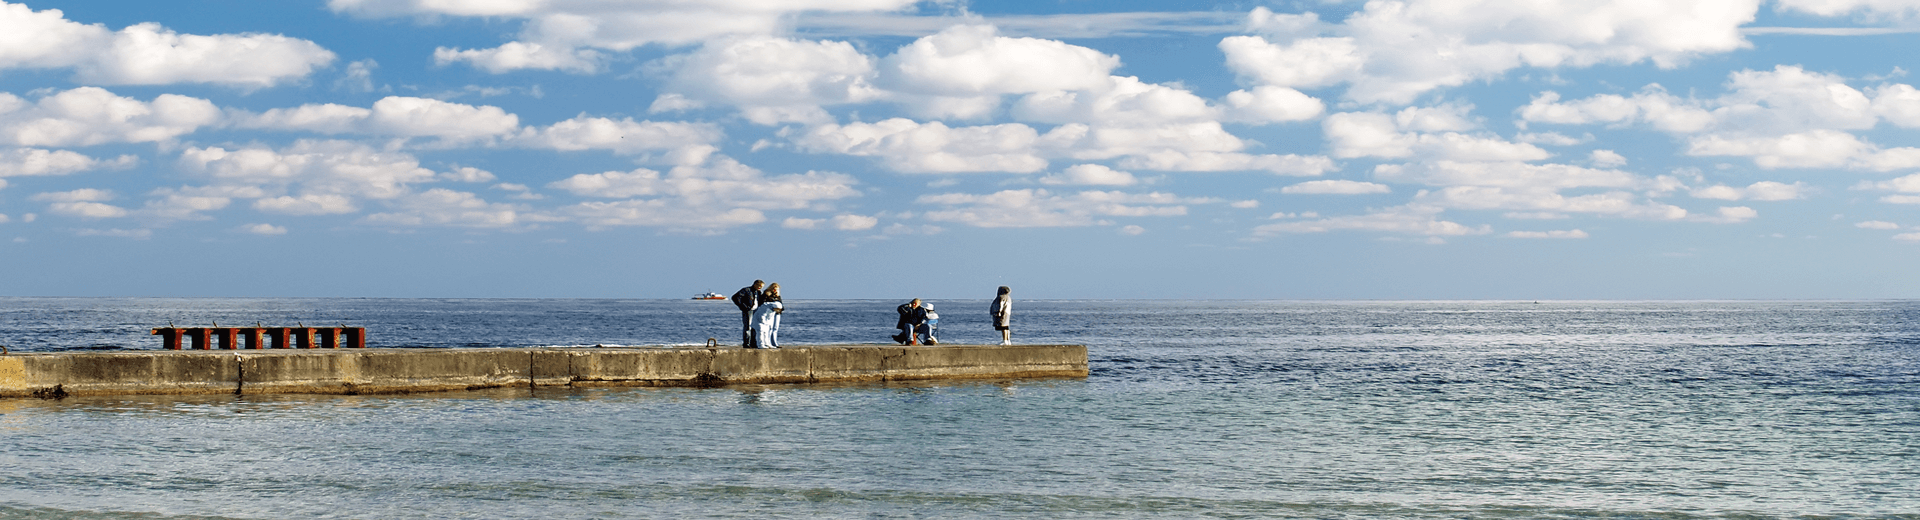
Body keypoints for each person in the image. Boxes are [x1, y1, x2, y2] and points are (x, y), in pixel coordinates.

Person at [730, 280, 764, 347]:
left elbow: (760, 301)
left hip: (756, 311)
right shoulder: (746, 290)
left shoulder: (758, 292)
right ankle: (746, 343)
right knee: (748, 327)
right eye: (759, 286)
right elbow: (735, 297)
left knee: (755, 327)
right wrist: (744, 306)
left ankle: (753, 343)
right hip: (748, 311)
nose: (760, 288)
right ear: (755, 284)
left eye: (761, 287)